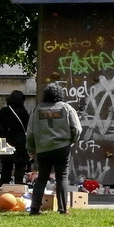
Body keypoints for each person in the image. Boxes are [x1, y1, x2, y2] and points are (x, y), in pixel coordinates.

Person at [26, 83, 82, 215]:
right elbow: (77, 129)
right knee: (61, 177)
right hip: (62, 147)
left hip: (43, 148)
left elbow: (31, 132)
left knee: (42, 178)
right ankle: (63, 209)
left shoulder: (37, 109)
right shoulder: (66, 108)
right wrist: (71, 140)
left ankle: (34, 208)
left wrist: (32, 148)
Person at [0, 90, 31, 185]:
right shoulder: (24, 112)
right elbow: (28, 126)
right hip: (20, 142)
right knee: (19, 166)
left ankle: (4, 185)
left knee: (6, 166)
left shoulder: (4, 111)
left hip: (6, 141)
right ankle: (18, 185)